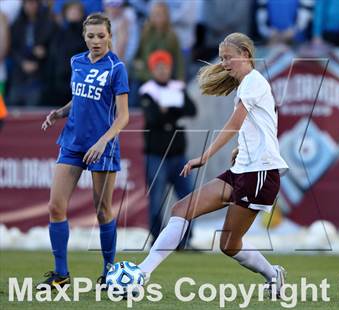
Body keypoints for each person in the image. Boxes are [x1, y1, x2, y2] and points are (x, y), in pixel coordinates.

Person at [137, 32, 289, 298]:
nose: (224, 63)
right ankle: (141, 274)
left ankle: (273, 274)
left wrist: (205, 155)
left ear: (245, 54)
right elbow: (261, 126)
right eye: (221, 59)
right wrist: (242, 148)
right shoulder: (248, 84)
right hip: (243, 168)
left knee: (229, 244)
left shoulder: (253, 81)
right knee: (181, 208)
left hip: (260, 173)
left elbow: (235, 123)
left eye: (228, 57)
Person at [38, 12, 130, 289]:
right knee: (56, 206)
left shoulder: (116, 68)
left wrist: (103, 141)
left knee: (103, 210)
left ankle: (108, 273)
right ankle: (61, 274)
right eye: (91, 36)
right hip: (73, 142)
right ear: (84, 37)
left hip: (103, 146)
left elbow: (123, 116)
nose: (96, 41)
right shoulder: (76, 61)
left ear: (110, 36)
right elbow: (81, 97)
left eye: (101, 36)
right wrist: (60, 112)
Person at [139, 49, 196, 248]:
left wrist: (167, 109)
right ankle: (158, 240)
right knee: (156, 202)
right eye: (159, 67)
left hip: (178, 155)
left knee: (190, 199)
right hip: (157, 155)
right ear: (153, 69)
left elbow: (192, 109)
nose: (163, 70)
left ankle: (186, 240)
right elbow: (154, 117)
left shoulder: (177, 86)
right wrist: (174, 110)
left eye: (166, 66)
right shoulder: (147, 89)